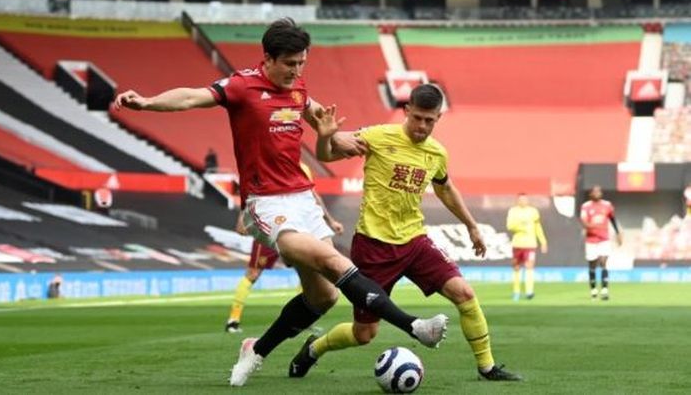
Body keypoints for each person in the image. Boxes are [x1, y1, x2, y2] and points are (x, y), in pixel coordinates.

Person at [113, 18, 448, 387]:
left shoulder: (298, 88)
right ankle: (415, 326)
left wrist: (338, 138)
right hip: (266, 203)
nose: (297, 71)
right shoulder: (242, 85)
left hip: (303, 198)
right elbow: (191, 96)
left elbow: (321, 118)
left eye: (302, 63)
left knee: (323, 297)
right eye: (290, 64)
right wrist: (146, 102)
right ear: (268, 59)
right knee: (332, 260)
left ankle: (254, 350)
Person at [289, 84, 522, 382]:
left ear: (438, 118)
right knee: (364, 334)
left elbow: (445, 188)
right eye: (418, 118)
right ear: (406, 111)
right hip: (373, 246)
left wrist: (472, 225)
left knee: (464, 293)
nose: (423, 126)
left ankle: (487, 367)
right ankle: (314, 349)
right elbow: (328, 155)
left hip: (414, 241)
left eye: (430, 120)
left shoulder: (437, 153)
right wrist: (324, 137)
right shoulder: (377, 136)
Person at [226, 162, 345, 333]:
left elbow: (313, 195)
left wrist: (330, 221)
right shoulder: (264, 164)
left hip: (296, 228)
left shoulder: (303, 168)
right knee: (253, 273)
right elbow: (252, 192)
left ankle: (306, 318)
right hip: (269, 227)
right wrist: (242, 217)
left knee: (308, 272)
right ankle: (233, 320)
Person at [580, 185, 622, 300]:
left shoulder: (607, 205)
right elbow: (583, 221)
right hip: (591, 240)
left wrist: (618, 233)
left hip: (604, 239)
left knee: (603, 262)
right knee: (592, 264)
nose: (597, 193)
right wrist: (590, 226)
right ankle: (593, 289)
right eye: (595, 191)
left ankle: (604, 290)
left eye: (599, 191)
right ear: (591, 194)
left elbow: (612, 219)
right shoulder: (586, 206)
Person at [506, 193, 548, 301]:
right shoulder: (513, 211)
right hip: (517, 243)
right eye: (521, 200)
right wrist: (521, 226)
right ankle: (516, 291)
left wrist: (543, 241)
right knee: (516, 267)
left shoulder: (533, 212)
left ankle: (529, 291)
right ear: (517, 201)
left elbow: (538, 227)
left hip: (530, 244)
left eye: (525, 199)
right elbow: (509, 226)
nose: (523, 201)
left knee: (529, 266)